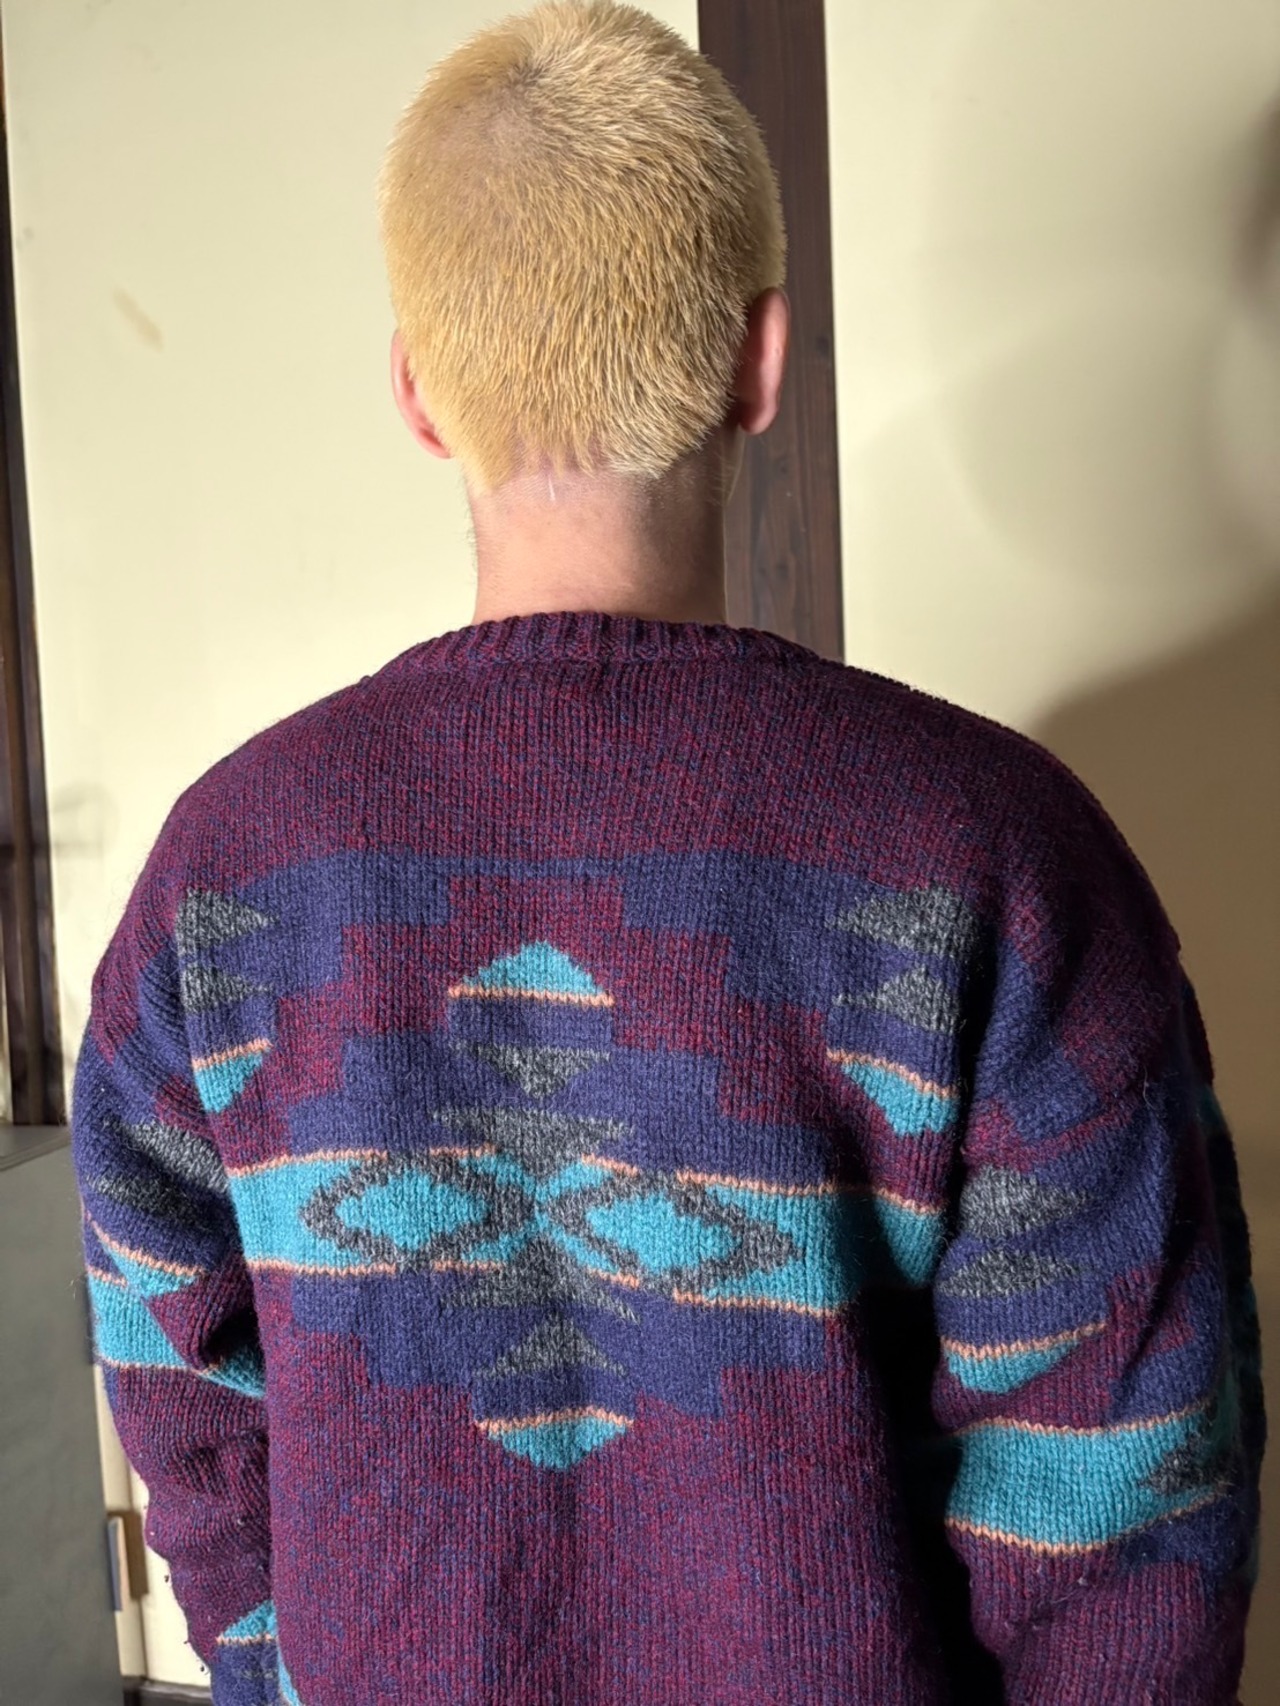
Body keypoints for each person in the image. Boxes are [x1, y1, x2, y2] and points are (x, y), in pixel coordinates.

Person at [70, 3, 1264, 1702]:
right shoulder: (999, 857)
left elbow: (177, 1388)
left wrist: (282, 1670)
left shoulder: (220, 878)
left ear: (416, 391)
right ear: (760, 360)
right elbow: (1128, 1502)